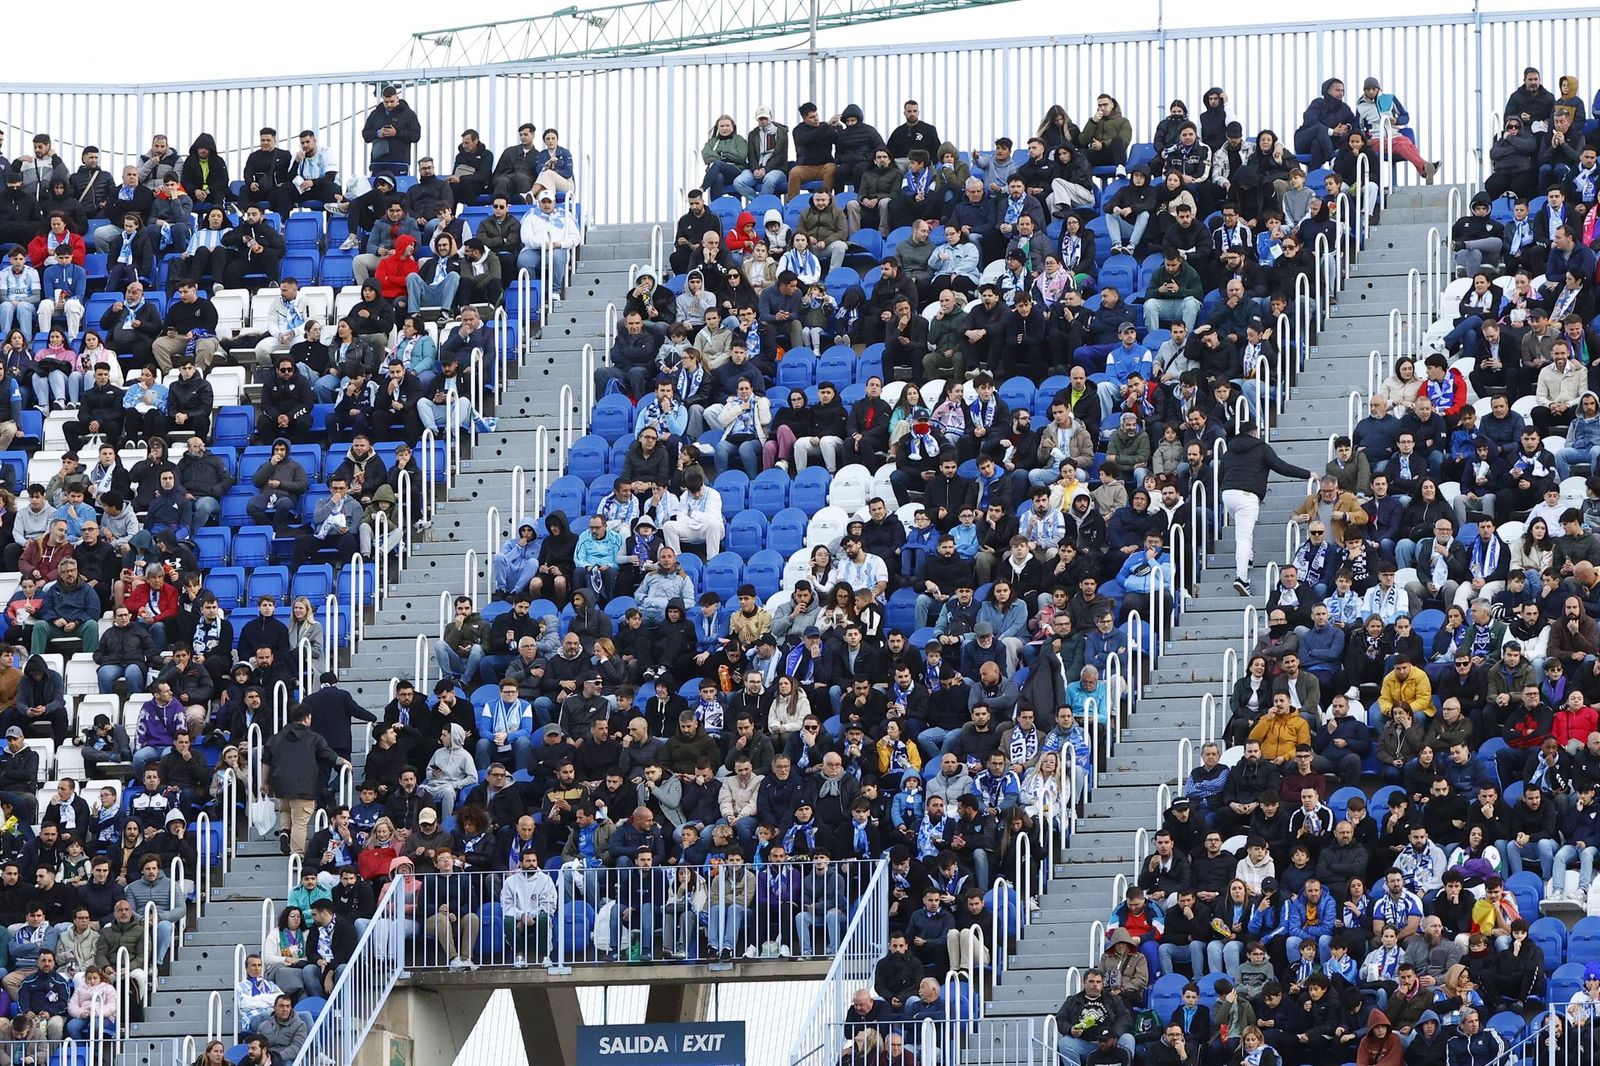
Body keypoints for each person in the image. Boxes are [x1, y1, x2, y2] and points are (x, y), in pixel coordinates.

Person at [1220, 421, 1313, 597]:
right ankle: (1241, 578)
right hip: (1247, 496)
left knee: (1243, 532)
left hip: (1228, 494)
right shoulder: (1261, 447)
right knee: (1244, 538)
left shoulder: (1229, 451)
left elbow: (1220, 474)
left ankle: (1248, 557)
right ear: (1255, 433)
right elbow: (1281, 467)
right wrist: (1307, 473)